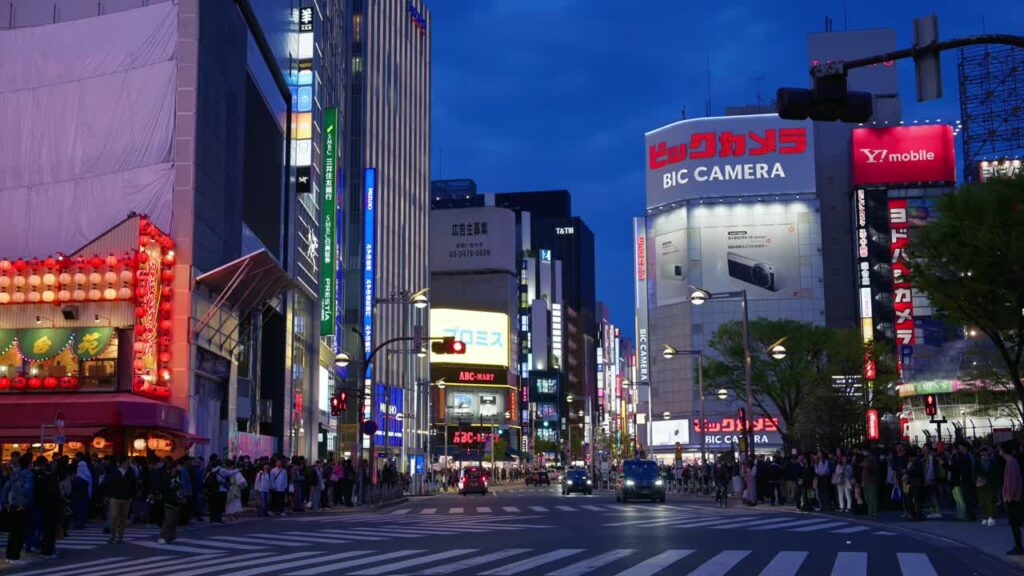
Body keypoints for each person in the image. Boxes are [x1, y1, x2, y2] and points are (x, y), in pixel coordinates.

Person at [4, 453, 35, 566]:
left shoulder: (15, 473)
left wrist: (5, 502)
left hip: (12, 505)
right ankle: (15, 556)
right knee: (20, 533)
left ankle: (9, 556)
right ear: (29, 464)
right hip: (22, 506)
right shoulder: (28, 474)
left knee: (13, 533)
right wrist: (24, 502)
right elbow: (28, 491)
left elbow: (6, 488)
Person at [999, 441, 1023, 555]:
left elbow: (1013, 481)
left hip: (1012, 497)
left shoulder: (1010, 462)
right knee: (1016, 522)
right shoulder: (1011, 461)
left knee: (1015, 522)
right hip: (1013, 496)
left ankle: (1019, 546)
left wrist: (1010, 495)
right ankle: (1018, 545)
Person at [105, 455, 137, 544]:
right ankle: (112, 536)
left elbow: (134, 485)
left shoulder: (130, 473)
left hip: (126, 499)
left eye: (129, 462)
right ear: (122, 463)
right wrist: (109, 495)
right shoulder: (114, 472)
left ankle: (120, 537)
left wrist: (131, 496)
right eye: (127, 462)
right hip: (115, 498)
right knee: (114, 517)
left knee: (123, 518)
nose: (128, 464)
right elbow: (109, 484)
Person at [157, 458, 182, 544]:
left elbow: (180, 487)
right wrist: (173, 487)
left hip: (176, 499)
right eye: (176, 467)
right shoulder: (166, 477)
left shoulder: (178, 476)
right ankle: (162, 536)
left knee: (174, 519)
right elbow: (164, 489)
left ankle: (171, 536)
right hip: (168, 500)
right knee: (169, 519)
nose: (178, 468)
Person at [950, 442, 977, 522]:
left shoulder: (967, 456)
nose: (959, 448)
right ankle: (969, 515)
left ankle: (970, 515)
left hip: (967, 479)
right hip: (965, 479)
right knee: (966, 498)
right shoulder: (965, 456)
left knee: (968, 498)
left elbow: (968, 468)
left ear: (965, 447)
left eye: (960, 447)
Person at [976, 445, 1002, 526]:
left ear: (988, 452)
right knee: (982, 501)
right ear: (980, 453)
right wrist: (977, 478)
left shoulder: (992, 461)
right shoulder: (977, 462)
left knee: (990, 500)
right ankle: (984, 517)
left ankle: (990, 517)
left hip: (990, 483)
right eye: (982, 451)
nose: (984, 453)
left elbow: (996, 472)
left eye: (985, 451)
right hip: (980, 483)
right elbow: (973, 472)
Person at [204, 456, 229, 524]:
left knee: (213, 505)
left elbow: (205, 480)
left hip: (212, 490)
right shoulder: (221, 470)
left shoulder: (210, 471)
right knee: (220, 505)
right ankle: (218, 518)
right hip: (220, 489)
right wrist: (238, 469)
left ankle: (212, 519)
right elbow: (230, 473)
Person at [862, 448, 882, 519]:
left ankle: (872, 512)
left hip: (872, 480)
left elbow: (875, 469)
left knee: (871, 497)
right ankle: (871, 512)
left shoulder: (872, 458)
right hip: (867, 480)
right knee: (868, 497)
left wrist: (867, 466)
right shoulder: (867, 458)